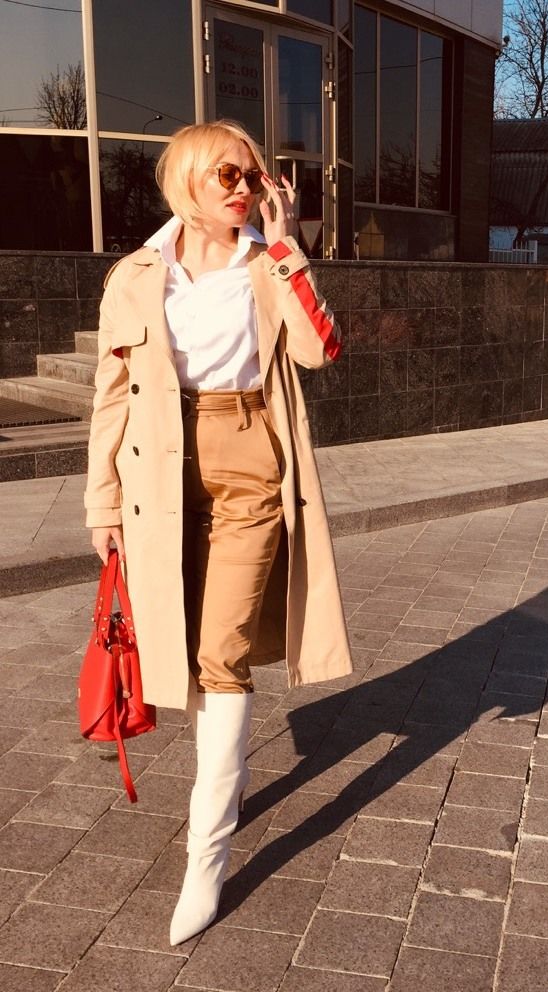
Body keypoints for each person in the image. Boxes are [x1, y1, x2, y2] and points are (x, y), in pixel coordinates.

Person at [84, 120, 352, 945]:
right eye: (227, 175)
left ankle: (206, 856)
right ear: (188, 182)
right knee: (185, 647)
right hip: (158, 475)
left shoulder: (266, 264)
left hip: (248, 465)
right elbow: (111, 396)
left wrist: (288, 244)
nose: (244, 188)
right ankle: (223, 784)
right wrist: (101, 504)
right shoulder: (136, 275)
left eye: (253, 175)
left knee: (219, 655)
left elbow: (320, 350)